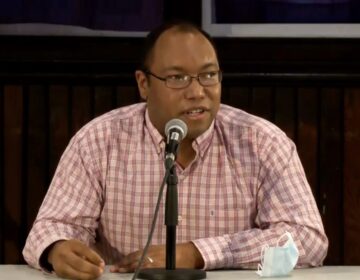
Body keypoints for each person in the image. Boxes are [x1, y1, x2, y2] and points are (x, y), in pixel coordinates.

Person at [23, 21, 328, 280]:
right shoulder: (99, 141)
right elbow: (50, 229)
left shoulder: (262, 143)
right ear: (144, 84)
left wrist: (197, 254)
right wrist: (57, 250)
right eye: (177, 78)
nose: (197, 92)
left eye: (208, 75)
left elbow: (307, 238)